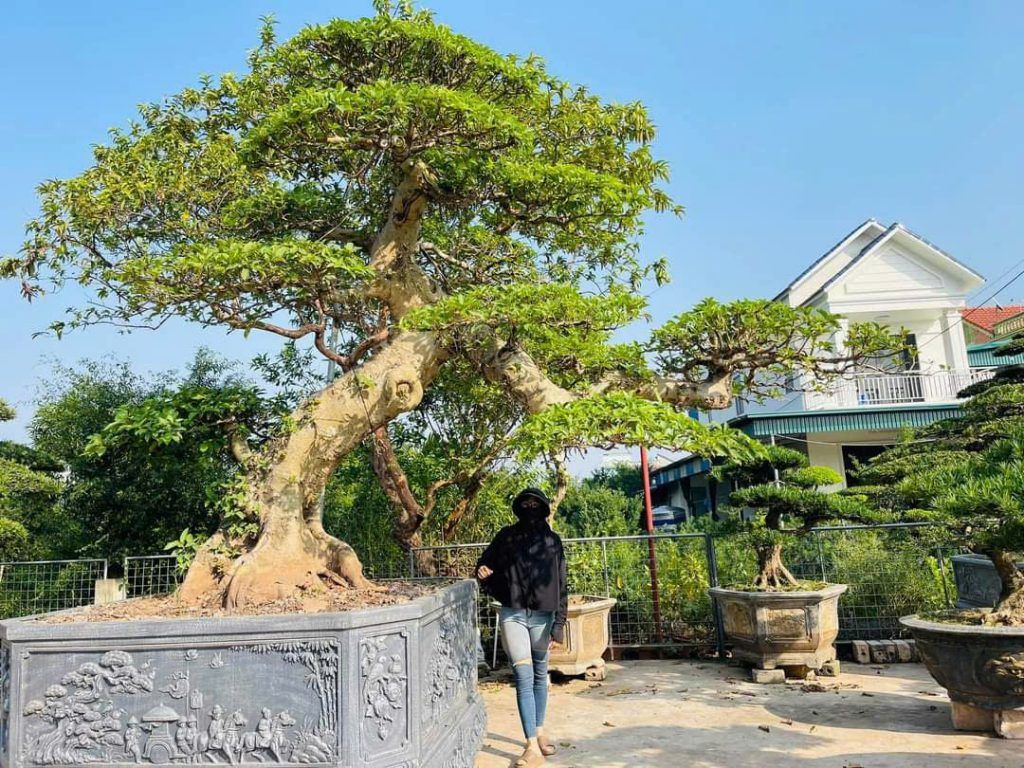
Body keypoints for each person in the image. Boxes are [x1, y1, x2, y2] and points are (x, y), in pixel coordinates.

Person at [476, 488, 567, 768]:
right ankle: (530, 746)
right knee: (523, 676)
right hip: (512, 614)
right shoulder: (507, 536)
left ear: (542, 507)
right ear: (518, 507)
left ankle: (539, 731)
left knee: (541, 675)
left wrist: (559, 625)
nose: (530, 508)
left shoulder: (552, 542)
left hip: (543, 616)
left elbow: (562, 583)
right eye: (525, 504)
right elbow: (485, 563)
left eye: (534, 504)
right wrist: (482, 572)